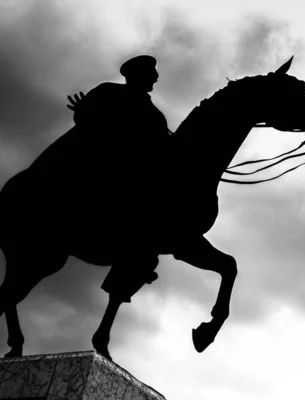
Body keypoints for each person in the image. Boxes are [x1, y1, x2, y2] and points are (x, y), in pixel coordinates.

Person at [67, 55, 173, 360]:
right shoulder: (108, 92)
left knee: (147, 241)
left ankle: (130, 272)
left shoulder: (155, 115)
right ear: (136, 75)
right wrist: (86, 113)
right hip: (103, 172)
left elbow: (164, 152)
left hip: (134, 181)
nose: (155, 79)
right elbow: (84, 122)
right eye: (151, 74)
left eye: (155, 74)